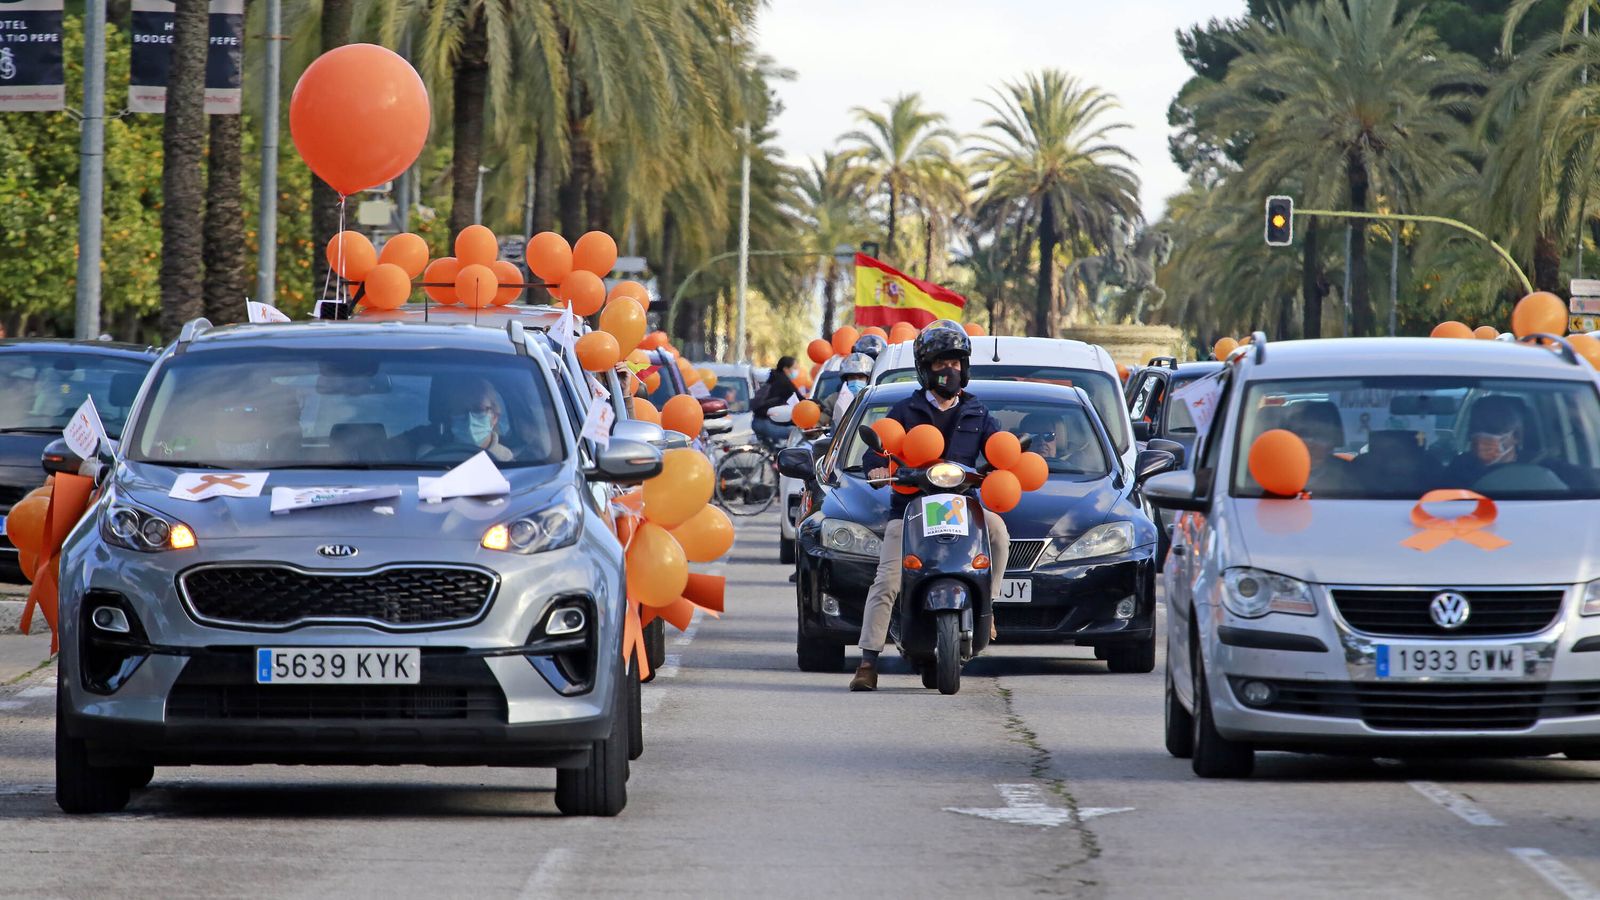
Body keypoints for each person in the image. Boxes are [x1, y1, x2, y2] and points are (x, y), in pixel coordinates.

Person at [849, 320, 1012, 692]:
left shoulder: (978, 412)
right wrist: (877, 468)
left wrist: (1009, 461)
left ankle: (989, 607)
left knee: (999, 532)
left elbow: (998, 450)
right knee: (887, 579)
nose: (949, 370)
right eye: (941, 363)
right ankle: (868, 661)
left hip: (963, 508)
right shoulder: (904, 411)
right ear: (925, 368)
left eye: (955, 362)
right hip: (911, 509)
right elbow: (877, 451)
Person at [410, 377, 514, 462]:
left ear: (495, 416)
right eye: (460, 410)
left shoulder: (507, 460)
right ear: (450, 418)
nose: (469, 418)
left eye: (478, 409)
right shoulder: (430, 456)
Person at [1285, 401, 1355, 494]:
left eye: (1320, 436)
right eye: (1303, 434)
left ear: (1333, 442)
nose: (1310, 443)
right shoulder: (1274, 472)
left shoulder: (1348, 477)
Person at [751, 355, 800, 448]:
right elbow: (800, 400)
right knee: (797, 432)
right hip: (766, 424)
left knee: (776, 450)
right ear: (786, 369)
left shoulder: (774, 378)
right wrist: (818, 404)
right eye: (794, 368)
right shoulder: (784, 382)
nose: (797, 371)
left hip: (758, 422)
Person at [823, 352, 873, 425]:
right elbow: (820, 421)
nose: (856, 381)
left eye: (860, 377)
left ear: (869, 379)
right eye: (852, 378)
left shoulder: (876, 399)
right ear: (846, 380)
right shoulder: (834, 400)